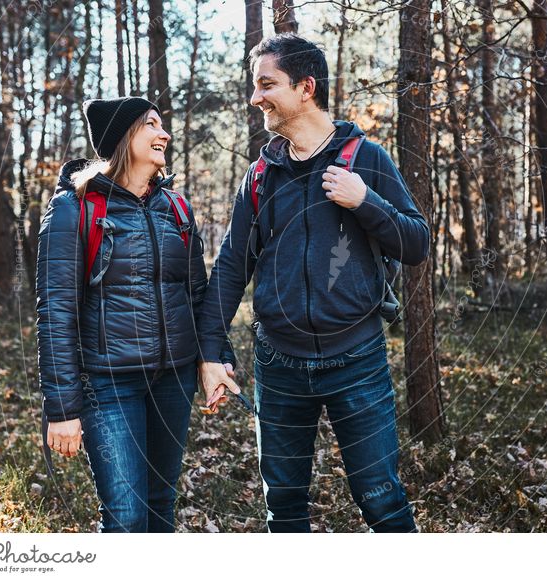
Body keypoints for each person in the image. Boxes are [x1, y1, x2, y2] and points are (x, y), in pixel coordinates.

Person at [198, 34, 429, 532]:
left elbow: (416, 244)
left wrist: (365, 201)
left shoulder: (366, 159)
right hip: (278, 365)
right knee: (283, 508)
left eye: (266, 84)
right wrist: (212, 353)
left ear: (306, 88)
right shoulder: (260, 175)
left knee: (383, 503)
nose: (255, 97)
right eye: (255, 85)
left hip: (357, 361)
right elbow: (232, 265)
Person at [36, 96, 234, 533]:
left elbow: (197, 294)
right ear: (124, 137)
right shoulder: (75, 207)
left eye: (163, 125)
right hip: (107, 384)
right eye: (152, 124)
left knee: (161, 503)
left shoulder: (176, 208)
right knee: (126, 516)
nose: (164, 134)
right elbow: (55, 312)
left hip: (173, 380)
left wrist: (215, 359)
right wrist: (62, 408)